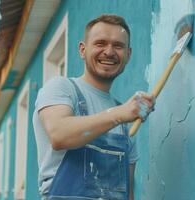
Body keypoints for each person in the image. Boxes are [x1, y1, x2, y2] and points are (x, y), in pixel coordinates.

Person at [33, 14, 155, 200]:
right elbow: (59, 135)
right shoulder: (61, 88)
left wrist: (122, 115)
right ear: (83, 50)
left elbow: (127, 193)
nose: (109, 51)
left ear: (128, 55)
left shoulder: (128, 122)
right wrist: (118, 114)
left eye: (118, 46)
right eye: (100, 43)